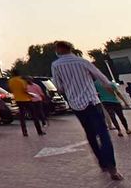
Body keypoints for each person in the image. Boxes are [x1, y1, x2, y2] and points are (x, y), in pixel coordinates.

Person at [51, 41, 122, 180]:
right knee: (103, 134)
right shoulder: (82, 61)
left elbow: (59, 87)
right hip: (92, 101)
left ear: (59, 50)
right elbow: (101, 76)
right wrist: (108, 86)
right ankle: (112, 168)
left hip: (76, 104)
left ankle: (102, 163)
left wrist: (69, 86)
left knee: (90, 134)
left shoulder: (56, 65)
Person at [7, 70, 44, 136]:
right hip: (26, 99)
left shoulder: (10, 81)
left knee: (22, 117)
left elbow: (11, 89)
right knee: (34, 115)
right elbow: (25, 90)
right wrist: (31, 95)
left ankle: (24, 132)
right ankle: (39, 131)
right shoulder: (21, 80)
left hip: (18, 100)